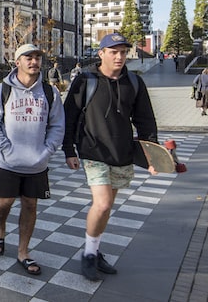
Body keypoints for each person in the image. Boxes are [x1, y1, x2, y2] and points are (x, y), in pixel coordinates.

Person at [62, 33, 159, 282]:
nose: (119, 56)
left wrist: (153, 155)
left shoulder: (134, 83)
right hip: (92, 151)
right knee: (102, 203)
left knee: (106, 209)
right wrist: (68, 150)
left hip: (122, 152)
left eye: (123, 52)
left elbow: (145, 120)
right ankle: (89, 256)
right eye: (113, 51)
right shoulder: (85, 80)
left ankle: (93, 250)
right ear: (101, 53)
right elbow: (69, 116)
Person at [0, 44, 65, 276]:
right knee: (4, 203)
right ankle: (0, 228)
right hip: (8, 161)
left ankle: (23, 251)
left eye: (38, 57)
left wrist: (48, 150)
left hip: (37, 162)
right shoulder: (2, 90)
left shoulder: (49, 92)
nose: (34, 61)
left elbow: (58, 125)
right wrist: (5, 147)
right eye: (28, 57)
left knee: (30, 204)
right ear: (17, 62)